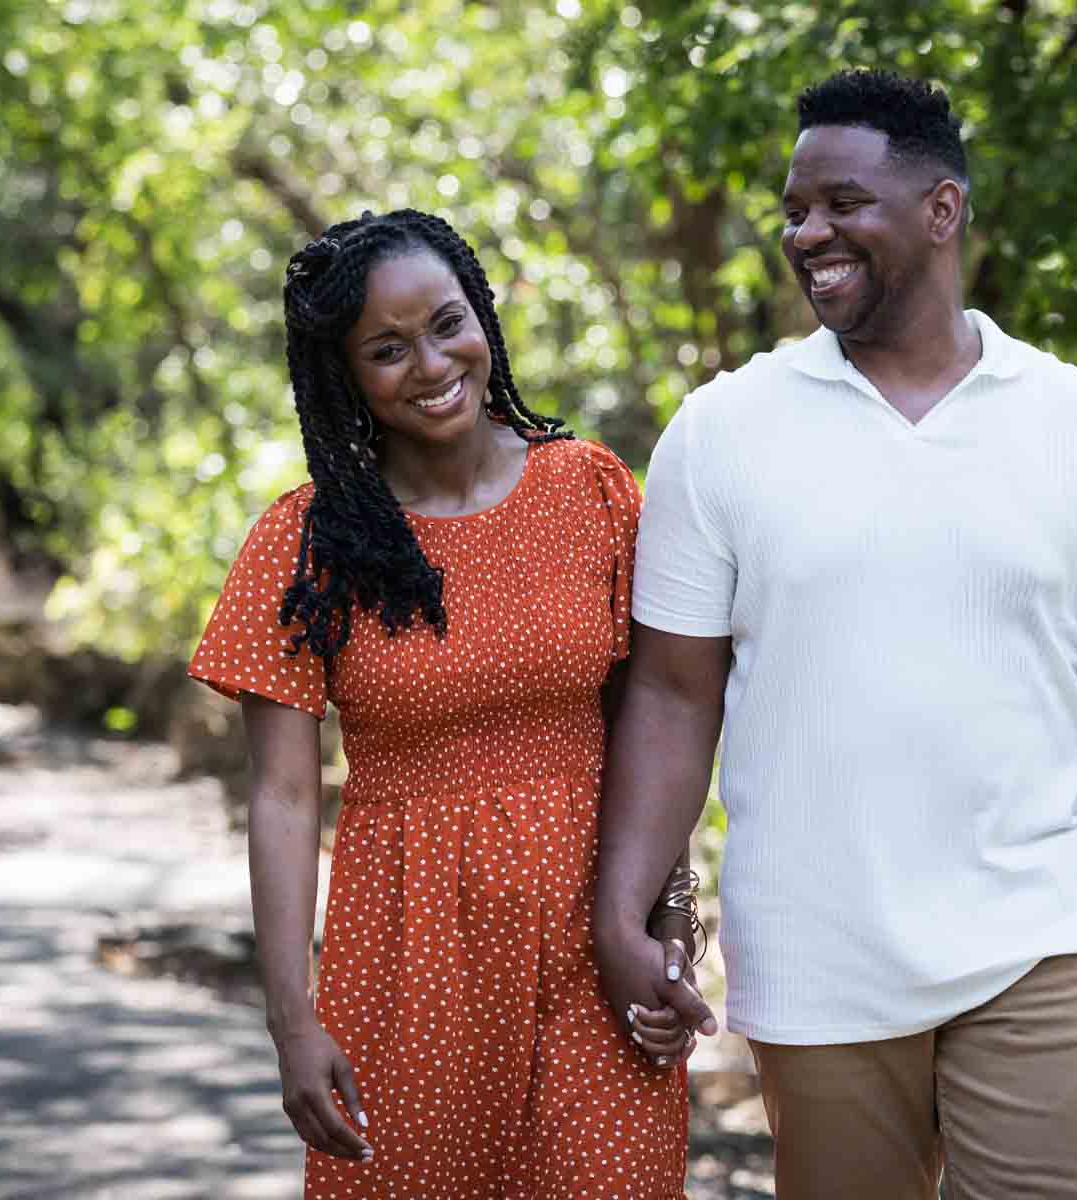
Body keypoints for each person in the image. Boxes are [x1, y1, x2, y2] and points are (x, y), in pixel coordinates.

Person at [594, 70, 1077, 1199]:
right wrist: (627, 900)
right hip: (814, 952)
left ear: (941, 209)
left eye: (843, 203)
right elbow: (671, 694)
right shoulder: (722, 433)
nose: (809, 234)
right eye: (795, 210)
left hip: (1041, 934)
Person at [188, 208, 696, 1199]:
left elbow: (655, 729)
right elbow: (285, 800)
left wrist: (670, 916)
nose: (429, 363)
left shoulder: (591, 488)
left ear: (485, 320)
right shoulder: (306, 542)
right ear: (347, 375)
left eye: (446, 324)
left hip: (599, 941)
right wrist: (294, 1022)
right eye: (386, 349)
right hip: (411, 955)